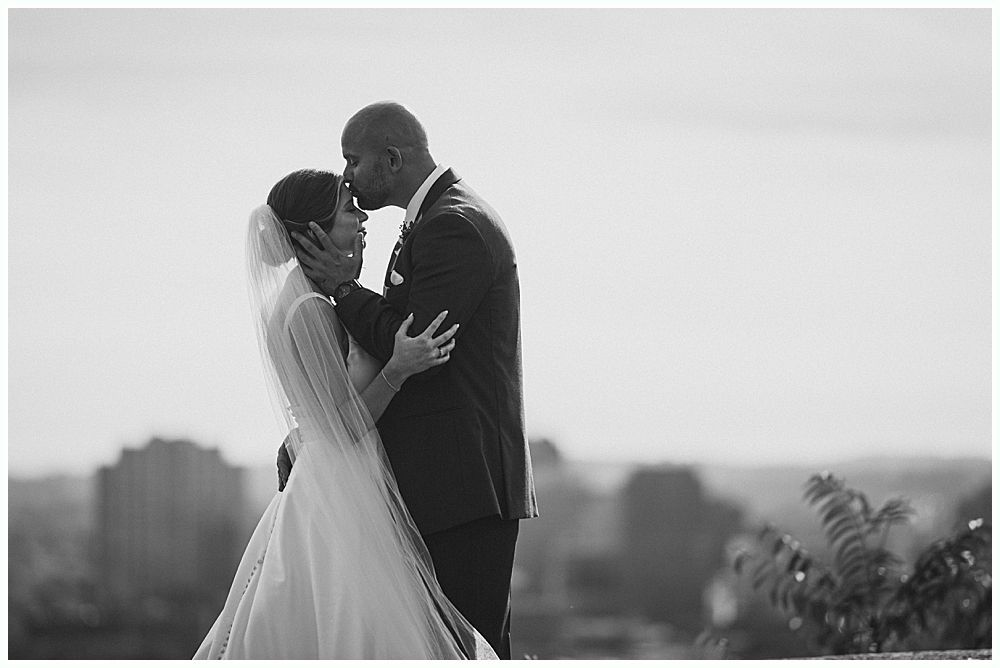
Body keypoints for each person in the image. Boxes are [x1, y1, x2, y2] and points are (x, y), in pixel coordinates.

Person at [194, 169, 497, 659]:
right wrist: (398, 368)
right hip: (341, 486)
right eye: (347, 210)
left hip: (338, 481)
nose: (362, 219)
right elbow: (341, 428)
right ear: (315, 232)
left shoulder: (310, 302)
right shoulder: (311, 310)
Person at [284, 101, 538, 659]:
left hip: (464, 484)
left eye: (353, 160)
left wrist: (345, 290)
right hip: (440, 483)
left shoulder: (454, 225)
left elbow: (420, 339)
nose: (346, 176)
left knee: (466, 648)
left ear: (392, 158)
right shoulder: (435, 218)